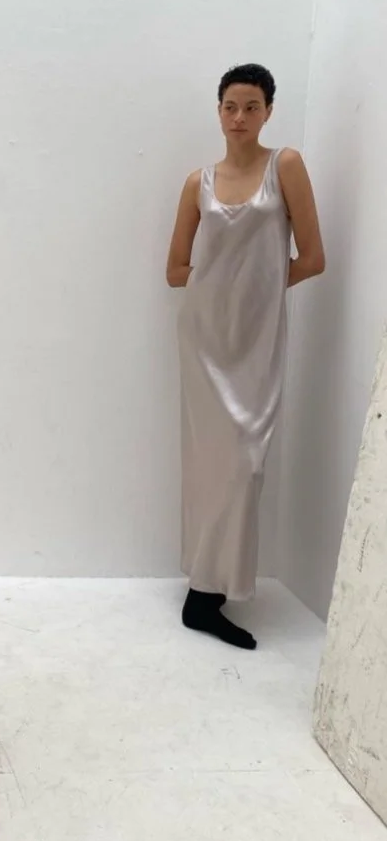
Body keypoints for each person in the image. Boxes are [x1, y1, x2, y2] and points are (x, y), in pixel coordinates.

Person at [166, 64, 325, 649]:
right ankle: (203, 596)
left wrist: (257, 288)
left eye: (251, 107)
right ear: (218, 110)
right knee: (214, 464)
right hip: (205, 339)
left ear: (268, 112)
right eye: (230, 106)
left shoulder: (285, 167)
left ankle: (208, 593)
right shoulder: (196, 183)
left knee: (246, 463)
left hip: (256, 340)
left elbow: (313, 257)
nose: (239, 118)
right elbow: (176, 270)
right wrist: (222, 285)